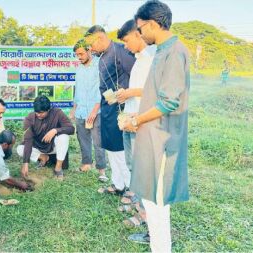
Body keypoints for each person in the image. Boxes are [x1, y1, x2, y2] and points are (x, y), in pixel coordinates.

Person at [122, 1, 190, 251]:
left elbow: (169, 102)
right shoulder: (162, 50)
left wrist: (136, 120)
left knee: (158, 203)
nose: (139, 34)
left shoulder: (174, 52)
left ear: (152, 24)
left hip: (163, 140)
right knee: (152, 200)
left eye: (140, 29)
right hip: (152, 136)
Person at [115, 19, 157, 235]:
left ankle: (147, 220)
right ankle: (140, 209)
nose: (125, 45)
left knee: (143, 171)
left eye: (126, 40)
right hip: (131, 121)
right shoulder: (138, 60)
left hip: (143, 123)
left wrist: (129, 93)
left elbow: (155, 91)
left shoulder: (152, 58)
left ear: (138, 35)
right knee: (134, 167)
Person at [84, 25, 135, 195]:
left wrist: (125, 95)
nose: (90, 49)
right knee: (111, 149)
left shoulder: (121, 51)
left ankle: (129, 188)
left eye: (91, 44)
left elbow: (134, 78)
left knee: (120, 149)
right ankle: (117, 184)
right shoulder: (102, 57)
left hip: (121, 109)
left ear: (100, 38)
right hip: (107, 108)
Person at [70, 39, 108, 182]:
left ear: (89, 51)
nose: (79, 57)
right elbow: (78, 90)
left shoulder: (100, 65)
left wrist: (94, 111)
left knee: (98, 142)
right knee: (82, 139)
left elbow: (102, 89)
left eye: (81, 54)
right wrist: (74, 109)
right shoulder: (79, 68)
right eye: (77, 55)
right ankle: (86, 164)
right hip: (81, 110)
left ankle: (102, 170)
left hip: (96, 111)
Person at [17, 95, 75, 180]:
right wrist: (25, 163)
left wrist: (55, 130)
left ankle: (58, 168)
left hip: (53, 147)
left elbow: (71, 129)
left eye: (41, 113)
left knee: (64, 137)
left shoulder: (57, 113)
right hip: (38, 147)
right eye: (36, 112)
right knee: (20, 149)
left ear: (48, 110)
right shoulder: (30, 118)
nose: (38, 115)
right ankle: (43, 157)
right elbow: (28, 140)